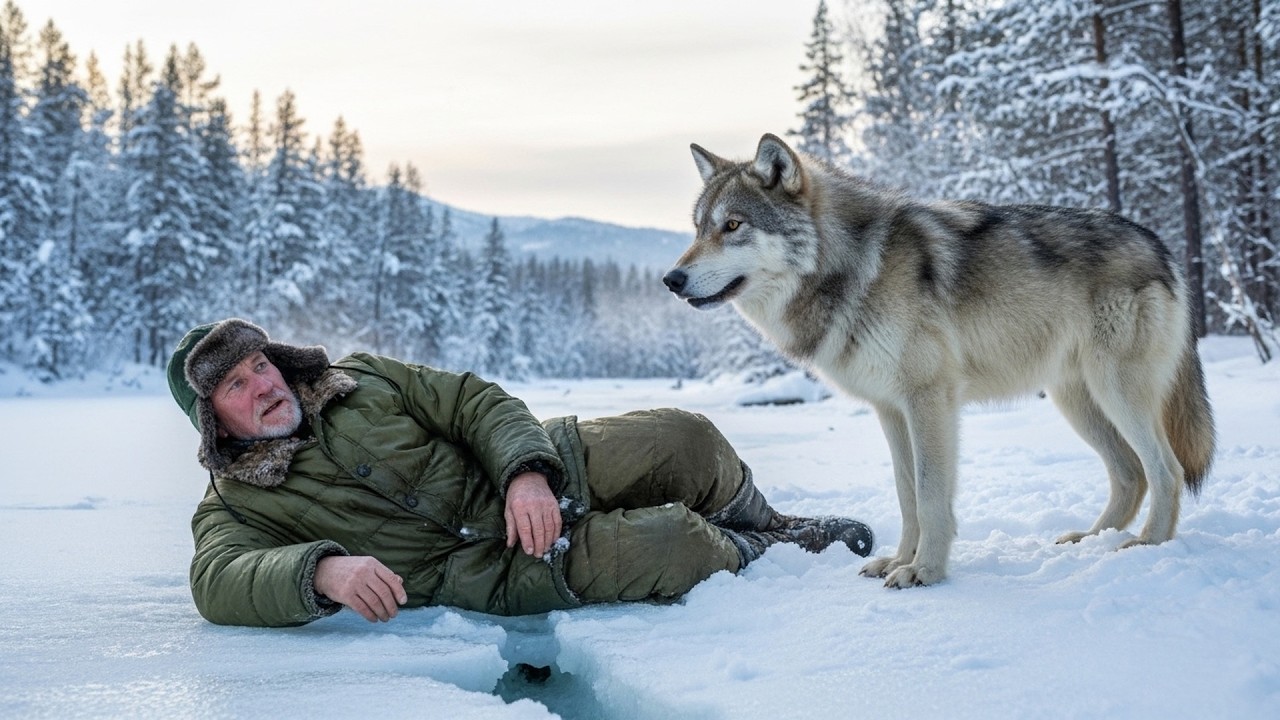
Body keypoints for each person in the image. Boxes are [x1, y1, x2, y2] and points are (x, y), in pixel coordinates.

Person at [167, 318, 873, 628]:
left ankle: (768, 520)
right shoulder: (234, 505)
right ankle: (763, 553)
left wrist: (525, 473)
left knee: (683, 438)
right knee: (673, 545)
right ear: (213, 422)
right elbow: (216, 582)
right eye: (234, 385)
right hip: (495, 567)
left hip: (538, 468)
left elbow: (474, 401)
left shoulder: (360, 378)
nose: (261, 384)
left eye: (259, 363)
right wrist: (320, 573)